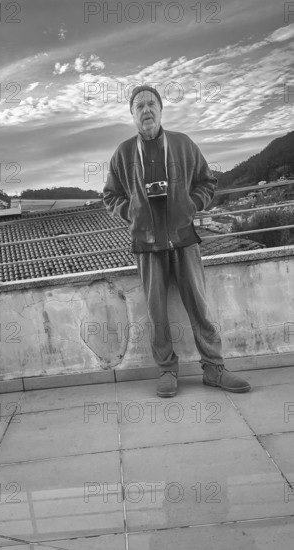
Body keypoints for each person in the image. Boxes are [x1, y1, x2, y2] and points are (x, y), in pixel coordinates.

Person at [103, 85, 251, 397]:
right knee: (157, 312)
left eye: (151, 104)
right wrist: (131, 211)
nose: (146, 110)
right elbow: (110, 195)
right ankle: (167, 371)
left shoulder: (182, 144)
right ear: (132, 115)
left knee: (199, 306)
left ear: (160, 110)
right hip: (146, 242)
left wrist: (190, 205)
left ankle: (214, 368)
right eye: (139, 106)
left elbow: (207, 181)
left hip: (184, 238)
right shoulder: (124, 153)